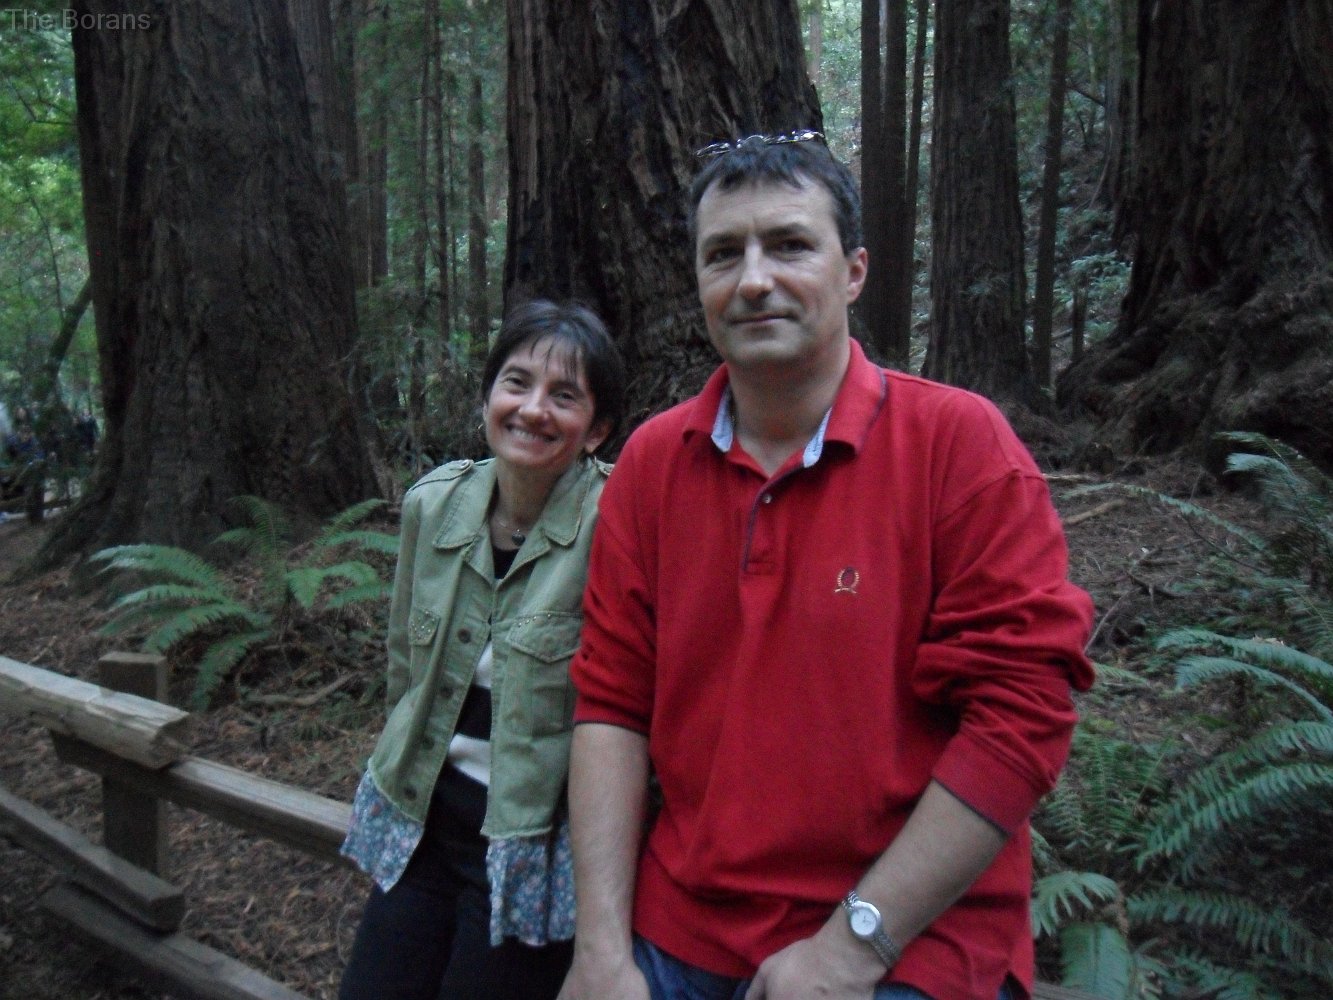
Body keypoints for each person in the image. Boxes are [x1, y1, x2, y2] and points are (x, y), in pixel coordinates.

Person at [558, 132, 1096, 1000]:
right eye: (722, 254)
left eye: (789, 245)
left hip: (906, 941)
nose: (753, 279)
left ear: (852, 272)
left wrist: (853, 947)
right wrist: (598, 952)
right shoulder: (652, 465)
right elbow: (612, 704)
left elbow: (1021, 714)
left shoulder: (958, 447)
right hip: (680, 930)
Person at [339, 299, 625, 1000]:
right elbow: (404, 670)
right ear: (488, 396)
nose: (533, 410)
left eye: (564, 396)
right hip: (423, 822)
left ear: (597, 429)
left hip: (530, 850)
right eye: (516, 383)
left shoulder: (619, 523)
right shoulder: (432, 505)